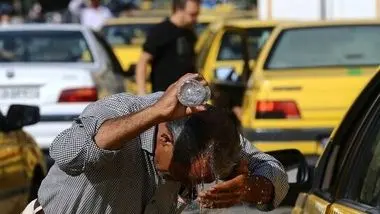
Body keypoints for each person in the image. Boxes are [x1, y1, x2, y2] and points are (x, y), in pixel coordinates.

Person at [23, 73, 288, 214]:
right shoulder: (121, 111)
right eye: (184, 179)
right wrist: (155, 113)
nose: (193, 190)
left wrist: (251, 188)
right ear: (164, 140)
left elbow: (274, 172)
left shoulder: (210, 130)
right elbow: (68, 153)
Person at [136, 0, 199, 95]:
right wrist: (141, 92)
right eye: (192, 14)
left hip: (186, 95)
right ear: (179, 9)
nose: (195, 19)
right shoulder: (160, 31)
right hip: (163, 95)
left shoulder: (189, 34)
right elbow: (143, 62)